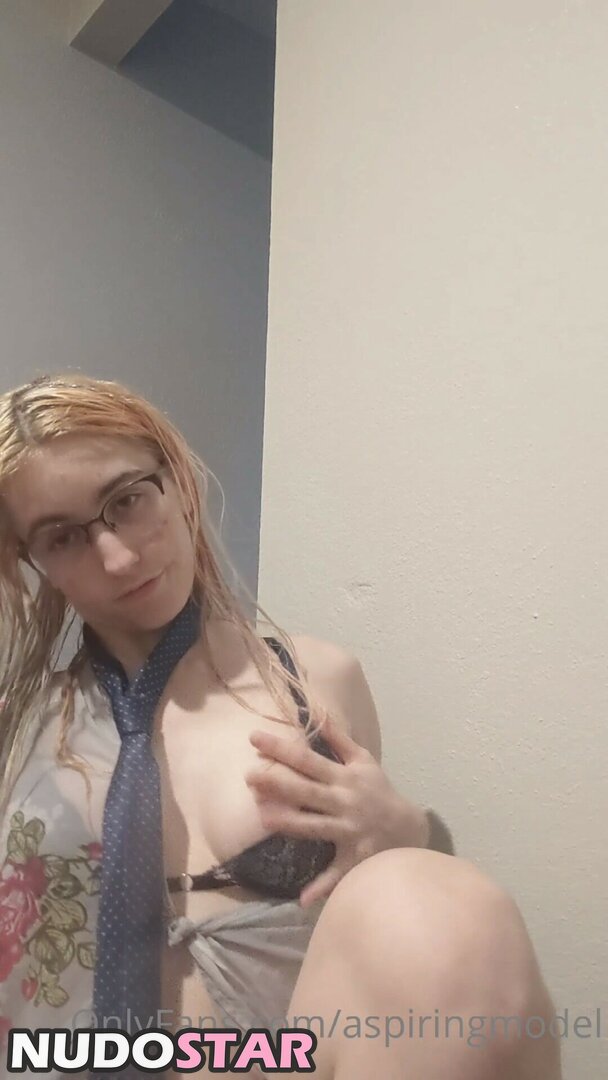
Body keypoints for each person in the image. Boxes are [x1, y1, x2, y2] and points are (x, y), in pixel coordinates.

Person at [0, 372, 561, 1079]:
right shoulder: (19, 726)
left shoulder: (319, 684)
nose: (117, 557)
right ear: (32, 562)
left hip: (286, 1059)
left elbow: (384, 941)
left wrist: (408, 835)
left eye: (128, 500)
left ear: (177, 482)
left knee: (435, 902)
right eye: (63, 539)